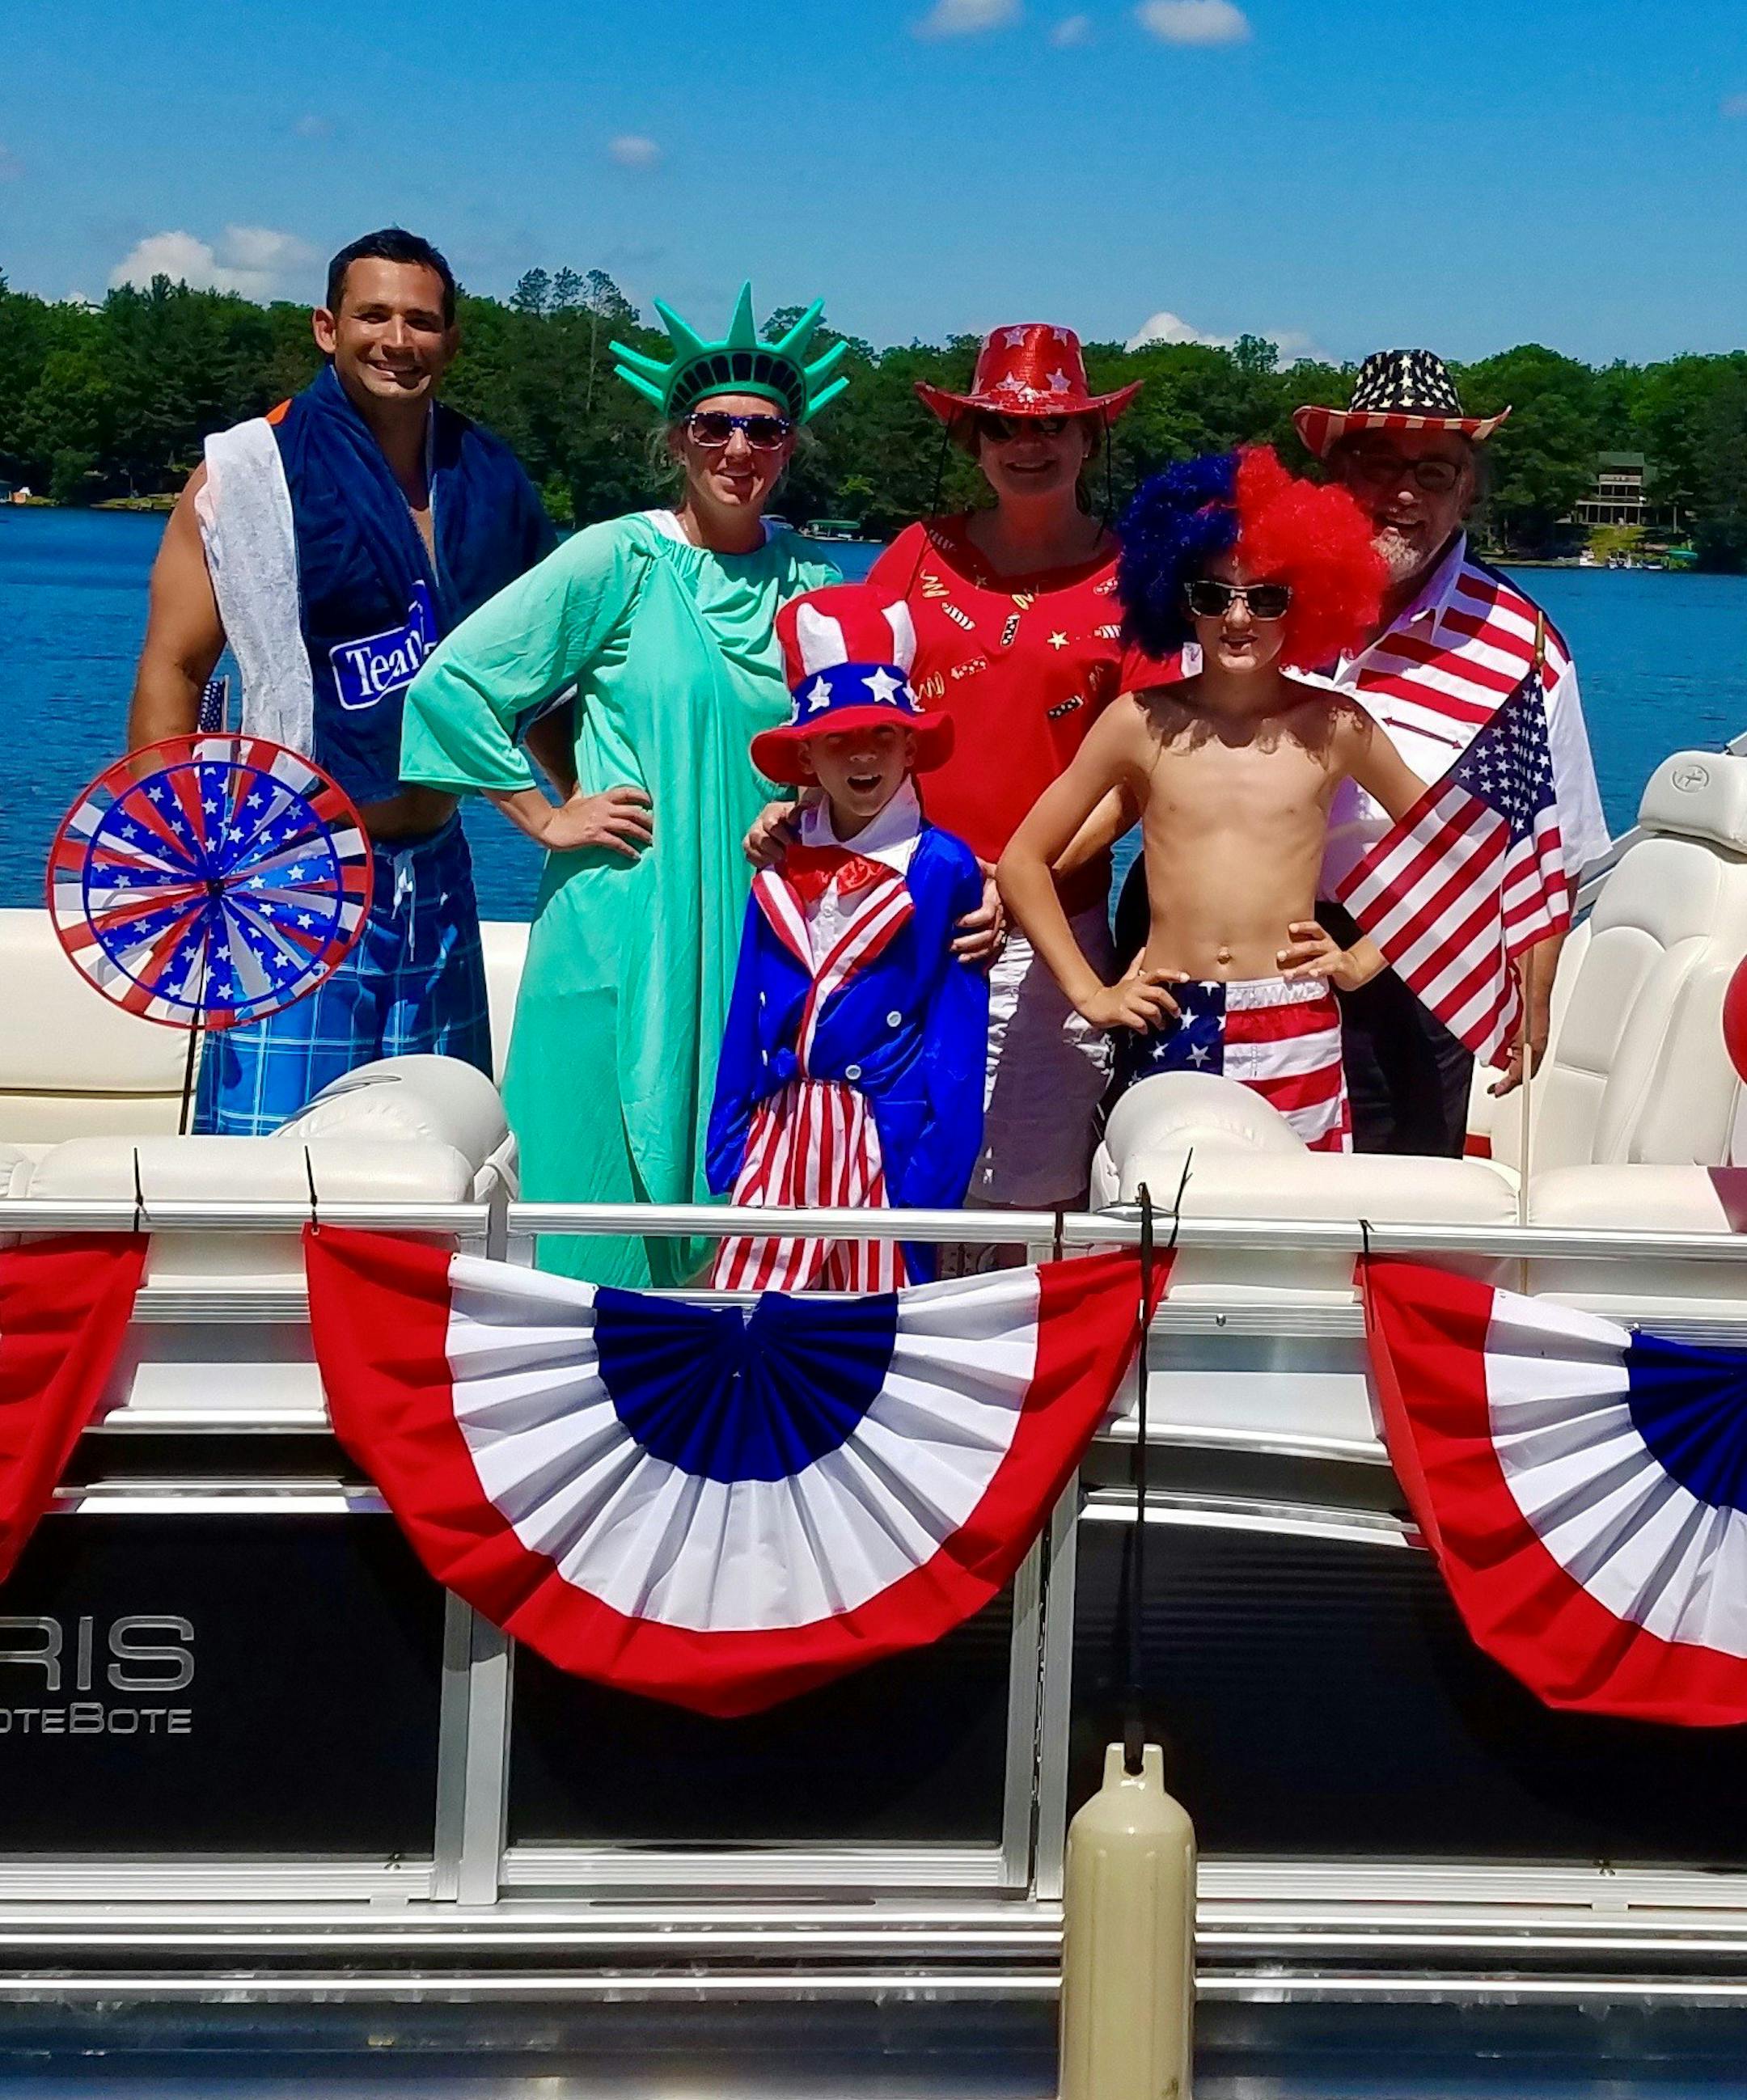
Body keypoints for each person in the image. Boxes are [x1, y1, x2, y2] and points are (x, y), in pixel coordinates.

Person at [400, 284, 844, 1287]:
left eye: (765, 430)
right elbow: (453, 686)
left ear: (791, 445)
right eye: (714, 426)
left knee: (750, 1192)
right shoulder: (621, 557)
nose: (740, 449)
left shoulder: (817, 583)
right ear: (678, 441)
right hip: (622, 909)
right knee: (593, 1188)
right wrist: (544, 813)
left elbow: (866, 742)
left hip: (764, 921)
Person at [128, 226, 555, 1134]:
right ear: (328, 326)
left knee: (438, 1158)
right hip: (295, 866)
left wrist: (585, 809)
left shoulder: (489, 474)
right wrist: (171, 862)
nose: (397, 340)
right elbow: (176, 663)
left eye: (421, 320)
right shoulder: (249, 469)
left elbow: (545, 674)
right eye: (374, 315)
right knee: (267, 1160)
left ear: (452, 338)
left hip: (438, 866)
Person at [747, 323, 1142, 1215]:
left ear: (1088, 438)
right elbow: (849, 710)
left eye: (1052, 427)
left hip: (1047, 933)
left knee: (1025, 1190)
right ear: (975, 442)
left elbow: (1137, 778)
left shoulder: (1135, 577)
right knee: (885, 1168)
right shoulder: (918, 554)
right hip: (893, 908)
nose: (1027, 446)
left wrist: (1020, 876)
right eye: (1003, 427)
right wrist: (797, 805)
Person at [998, 446, 1426, 1151]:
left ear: (1306, 604)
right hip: (1170, 1010)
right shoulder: (1137, 721)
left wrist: (1363, 957)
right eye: (1210, 596)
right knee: (1158, 1227)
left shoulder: (1338, 725)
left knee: (1295, 1230)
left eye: (1265, 598)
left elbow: (1452, 848)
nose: (1237, 618)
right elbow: (1023, 862)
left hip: (1294, 1019)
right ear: (1176, 601)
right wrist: (1091, 994)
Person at [1291, 349, 1610, 1154]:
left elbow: (1554, 853)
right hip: (1250, 958)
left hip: (1421, 961)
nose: (1402, 493)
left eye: (1432, 472)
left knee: (1398, 1232)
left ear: (1466, 490)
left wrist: (1528, 1006)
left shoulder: (1523, 647)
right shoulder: (1255, 605)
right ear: (1335, 479)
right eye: (1377, 464)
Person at [708, 585, 988, 1292]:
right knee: (751, 1319)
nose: (863, 756)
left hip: (886, 1146)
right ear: (807, 757)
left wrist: (931, 1178)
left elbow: (955, 1040)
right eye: (839, 738)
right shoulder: (781, 853)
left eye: (883, 734)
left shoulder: (943, 867)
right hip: (780, 1133)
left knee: (875, 1332)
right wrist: (730, 1135)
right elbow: (748, 1005)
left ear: (911, 747)